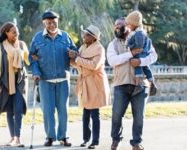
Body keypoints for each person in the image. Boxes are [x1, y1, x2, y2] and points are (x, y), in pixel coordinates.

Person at [107, 17, 158, 150]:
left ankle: (136, 143)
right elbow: (112, 61)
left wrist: (140, 62)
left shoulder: (141, 37)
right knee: (117, 115)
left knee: (139, 117)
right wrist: (131, 53)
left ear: (128, 26)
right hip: (121, 84)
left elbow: (153, 56)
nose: (117, 27)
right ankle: (115, 140)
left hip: (140, 85)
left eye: (120, 25)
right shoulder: (112, 44)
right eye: (116, 25)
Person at [29, 11, 77, 147]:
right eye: (48, 22)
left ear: (58, 21)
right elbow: (32, 58)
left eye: (54, 22)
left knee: (63, 110)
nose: (51, 25)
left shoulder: (66, 36)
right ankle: (50, 136)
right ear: (44, 23)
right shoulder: (37, 38)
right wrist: (36, 72)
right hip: (45, 80)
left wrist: (74, 54)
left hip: (63, 79)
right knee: (48, 111)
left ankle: (63, 136)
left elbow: (75, 52)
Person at [68, 25, 110, 149]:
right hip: (85, 82)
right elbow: (80, 65)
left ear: (93, 37)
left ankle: (95, 141)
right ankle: (86, 139)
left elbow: (93, 65)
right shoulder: (83, 47)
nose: (83, 36)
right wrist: (72, 60)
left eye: (86, 34)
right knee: (85, 112)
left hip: (95, 83)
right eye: (84, 34)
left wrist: (77, 58)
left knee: (95, 113)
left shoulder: (99, 49)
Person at [0, 22, 30, 147]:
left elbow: (28, 61)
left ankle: (18, 138)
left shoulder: (22, 44)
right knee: (9, 109)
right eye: (14, 32)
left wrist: (33, 56)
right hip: (6, 81)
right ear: (6, 33)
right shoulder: (0, 47)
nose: (17, 34)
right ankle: (12, 137)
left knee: (18, 109)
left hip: (20, 80)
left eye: (17, 31)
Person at [125, 10, 157, 96]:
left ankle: (138, 84)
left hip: (140, 54)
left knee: (138, 68)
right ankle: (151, 82)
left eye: (128, 24)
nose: (127, 26)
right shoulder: (143, 33)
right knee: (146, 68)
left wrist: (130, 46)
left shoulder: (138, 33)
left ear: (133, 24)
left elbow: (138, 45)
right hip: (144, 54)